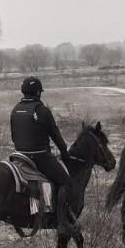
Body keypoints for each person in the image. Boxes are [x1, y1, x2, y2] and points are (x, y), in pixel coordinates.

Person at [10, 76, 77, 235]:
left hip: (19, 156)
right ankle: (61, 222)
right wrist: (64, 153)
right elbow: (56, 135)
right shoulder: (41, 110)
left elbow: (14, 136)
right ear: (38, 92)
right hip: (39, 157)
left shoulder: (16, 109)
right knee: (65, 181)